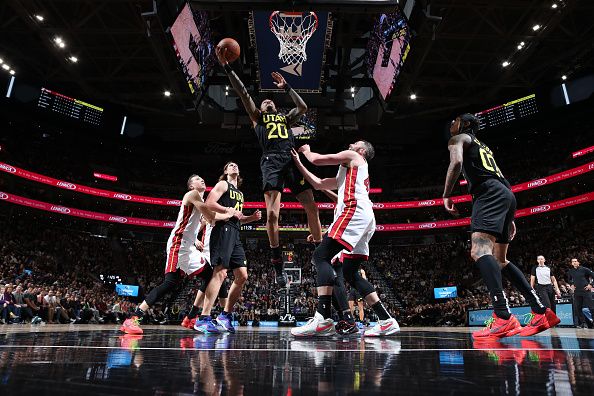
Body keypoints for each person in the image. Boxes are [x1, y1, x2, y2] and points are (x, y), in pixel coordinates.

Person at [442, 113, 559, 339]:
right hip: (505, 194)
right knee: (500, 260)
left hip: (487, 193)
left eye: (454, 120)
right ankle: (540, 312)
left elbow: (456, 162)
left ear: (465, 124)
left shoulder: (458, 139)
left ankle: (503, 316)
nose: (451, 124)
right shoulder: (482, 145)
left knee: (479, 250)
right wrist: (508, 214)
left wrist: (447, 194)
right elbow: (498, 176)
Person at [216, 46, 322, 287]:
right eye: (264, 101)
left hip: (291, 158)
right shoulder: (257, 118)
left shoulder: (286, 118)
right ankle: (276, 261)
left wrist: (286, 87)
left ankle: (319, 255)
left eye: (270, 100)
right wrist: (227, 67)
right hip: (271, 160)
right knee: (273, 215)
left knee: (312, 208)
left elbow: (303, 107)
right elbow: (243, 92)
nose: (267, 101)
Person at [289, 141, 399, 337]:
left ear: (362, 151)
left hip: (354, 211)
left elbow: (317, 159)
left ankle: (322, 318)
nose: (350, 144)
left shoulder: (355, 157)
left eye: (355, 143)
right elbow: (318, 184)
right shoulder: (348, 174)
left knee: (320, 257)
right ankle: (386, 320)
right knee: (350, 272)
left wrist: (306, 151)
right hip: (365, 217)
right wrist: (298, 163)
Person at [120, 175, 238, 334]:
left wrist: (227, 215)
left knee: (212, 275)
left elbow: (210, 219)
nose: (201, 179)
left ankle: (192, 317)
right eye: (197, 179)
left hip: (188, 247)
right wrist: (229, 213)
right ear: (191, 186)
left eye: (202, 178)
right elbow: (211, 218)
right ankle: (133, 318)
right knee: (171, 283)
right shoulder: (193, 195)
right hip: (179, 244)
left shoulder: (201, 202)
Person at [195, 162, 261, 334]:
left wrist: (251, 218)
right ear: (225, 171)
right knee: (221, 272)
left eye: (235, 165)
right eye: (229, 165)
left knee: (242, 275)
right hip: (222, 229)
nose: (233, 166)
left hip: (235, 232)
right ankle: (204, 318)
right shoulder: (223, 184)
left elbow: (238, 217)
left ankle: (224, 315)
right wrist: (228, 210)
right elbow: (209, 203)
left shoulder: (240, 193)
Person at [567, 258, 594, 328]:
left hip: (586, 291)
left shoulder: (584, 269)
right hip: (577, 292)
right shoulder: (570, 271)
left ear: (578, 262)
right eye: (573, 262)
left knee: (591, 307)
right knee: (578, 308)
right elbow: (569, 279)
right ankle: (583, 323)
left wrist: (591, 285)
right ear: (571, 263)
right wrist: (571, 284)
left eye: (576, 261)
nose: (574, 262)